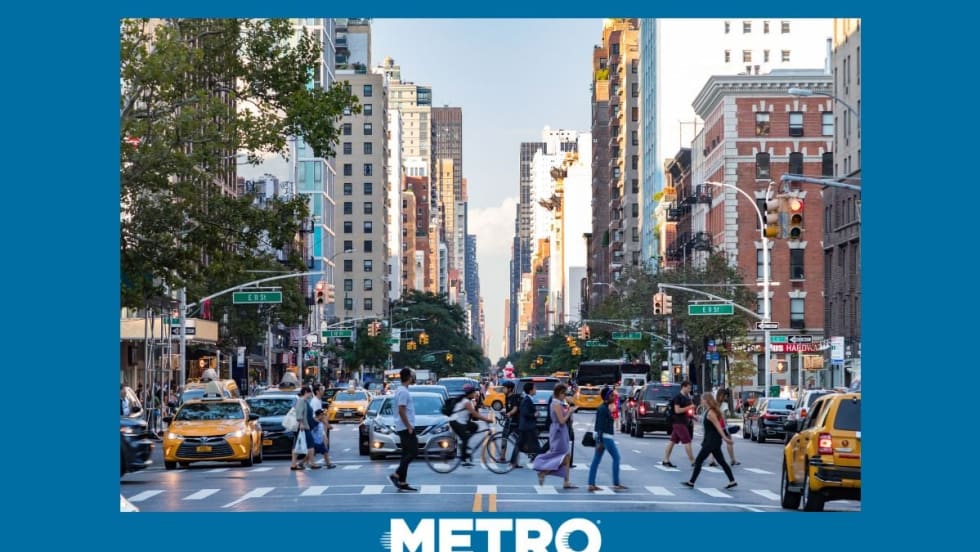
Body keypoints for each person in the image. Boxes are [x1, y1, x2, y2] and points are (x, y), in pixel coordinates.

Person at [684, 392, 737, 489]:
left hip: (711, 441)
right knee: (722, 462)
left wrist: (725, 438)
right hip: (712, 440)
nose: (701, 401)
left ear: (706, 400)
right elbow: (704, 421)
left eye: (702, 400)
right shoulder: (708, 411)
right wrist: (694, 417)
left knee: (699, 461)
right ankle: (732, 481)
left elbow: (718, 426)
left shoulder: (711, 412)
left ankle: (691, 482)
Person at [532, 383, 579, 489]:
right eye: (564, 393)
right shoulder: (556, 403)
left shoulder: (559, 402)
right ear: (560, 393)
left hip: (561, 431)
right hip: (558, 431)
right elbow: (561, 420)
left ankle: (566, 481)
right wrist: (570, 412)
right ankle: (543, 472)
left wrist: (569, 407)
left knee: (566, 456)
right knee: (560, 456)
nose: (565, 395)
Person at [588, 386, 628, 492]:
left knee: (596, 460)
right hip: (605, 437)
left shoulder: (605, 408)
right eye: (611, 395)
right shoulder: (603, 409)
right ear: (606, 397)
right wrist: (600, 441)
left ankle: (591, 483)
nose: (613, 397)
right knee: (616, 458)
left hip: (604, 437)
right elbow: (600, 426)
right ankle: (615, 483)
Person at [450, 384, 495, 467]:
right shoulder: (466, 402)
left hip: (462, 421)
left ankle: (465, 445)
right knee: (465, 438)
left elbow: (474, 414)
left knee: (475, 426)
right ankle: (464, 460)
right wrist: (487, 419)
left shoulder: (468, 401)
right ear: (470, 393)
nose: (475, 394)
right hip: (456, 422)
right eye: (474, 392)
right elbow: (475, 415)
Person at [390, 368, 418, 491]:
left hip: (404, 427)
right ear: (409, 377)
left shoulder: (402, 390)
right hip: (405, 427)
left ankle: (402, 481)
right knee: (413, 452)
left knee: (406, 454)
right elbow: (401, 410)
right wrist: (409, 426)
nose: (414, 378)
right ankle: (396, 474)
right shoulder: (403, 392)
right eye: (412, 376)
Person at [662, 380, 696, 468]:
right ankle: (693, 461)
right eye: (688, 388)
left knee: (672, 441)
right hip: (678, 422)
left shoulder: (687, 397)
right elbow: (677, 410)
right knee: (687, 441)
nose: (690, 390)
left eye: (690, 388)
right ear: (683, 387)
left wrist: (693, 417)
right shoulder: (678, 397)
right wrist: (689, 407)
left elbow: (687, 411)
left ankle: (666, 459)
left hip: (684, 422)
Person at [511, 382, 541, 468]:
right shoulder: (527, 400)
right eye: (535, 388)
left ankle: (514, 462)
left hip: (526, 426)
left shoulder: (528, 399)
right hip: (527, 427)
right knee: (536, 445)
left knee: (520, 444)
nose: (536, 390)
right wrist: (534, 415)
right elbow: (524, 412)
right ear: (531, 390)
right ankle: (541, 461)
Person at [709, 388, 740, 466]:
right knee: (729, 441)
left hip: (713, 425)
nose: (726, 397)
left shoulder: (713, 403)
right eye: (725, 396)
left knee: (713, 443)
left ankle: (712, 460)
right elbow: (724, 417)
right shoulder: (724, 405)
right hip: (721, 426)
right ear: (722, 395)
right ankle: (732, 459)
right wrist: (726, 425)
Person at [290, 386, 318, 470]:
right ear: (306, 392)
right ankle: (312, 463)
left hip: (305, 426)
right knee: (310, 444)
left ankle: (294, 464)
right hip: (303, 426)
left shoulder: (305, 401)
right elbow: (299, 413)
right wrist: (301, 423)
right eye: (310, 393)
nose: (311, 395)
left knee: (297, 445)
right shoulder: (301, 401)